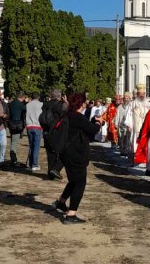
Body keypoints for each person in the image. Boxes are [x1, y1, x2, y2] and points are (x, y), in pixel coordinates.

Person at [51, 92, 104, 224]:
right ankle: (71, 214)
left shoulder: (68, 114)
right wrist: (99, 123)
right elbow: (92, 130)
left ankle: (61, 202)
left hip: (66, 153)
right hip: (76, 154)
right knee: (80, 183)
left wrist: (93, 122)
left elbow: (85, 127)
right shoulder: (78, 116)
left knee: (73, 180)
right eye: (85, 103)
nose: (86, 105)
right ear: (80, 104)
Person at [42, 89, 66, 180]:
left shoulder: (45, 104)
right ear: (59, 96)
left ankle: (50, 173)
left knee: (50, 154)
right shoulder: (60, 105)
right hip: (57, 132)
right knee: (62, 152)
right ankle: (56, 169)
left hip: (46, 131)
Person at [129, 84, 150, 165]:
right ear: (137, 94)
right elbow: (129, 115)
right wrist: (130, 125)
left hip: (145, 126)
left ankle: (143, 160)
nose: (142, 96)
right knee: (134, 143)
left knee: (145, 143)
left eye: (143, 94)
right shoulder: (133, 103)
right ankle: (134, 161)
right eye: (140, 94)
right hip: (136, 127)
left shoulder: (148, 103)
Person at [25, 92, 43, 172]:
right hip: (37, 126)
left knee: (31, 146)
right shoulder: (41, 104)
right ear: (38, 97)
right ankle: (34, 164)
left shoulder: (28, 105)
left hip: (29, 126)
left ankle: (31, 163)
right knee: (36, 146)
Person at [8, 91, 26, 166]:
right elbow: (25, 111)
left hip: (11, 124)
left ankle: (13, 158)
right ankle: (13, 159)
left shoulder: (11, 103)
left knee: (13, 141)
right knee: (14, 143)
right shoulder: (21, 104)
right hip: (17, 125)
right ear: (22, 97)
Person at [115, 91, 132, 156]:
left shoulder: (131, 106)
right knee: (121, 138)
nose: (126, 99)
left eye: (127, 98)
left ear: (129, 98)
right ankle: (122, 151)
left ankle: (127, 151)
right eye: (125, 98)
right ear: (123, 99)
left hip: (128, 125)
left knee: (128, 138)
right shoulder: (120, 107)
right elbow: (117, 115)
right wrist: (116, 123)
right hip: (121, 125)